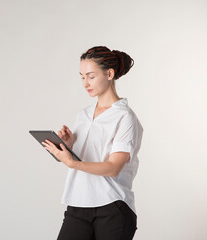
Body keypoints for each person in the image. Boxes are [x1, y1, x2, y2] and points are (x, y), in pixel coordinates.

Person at [42, 46, 143, 240]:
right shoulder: (83, 115)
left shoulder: (125, 117)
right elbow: (87, 157)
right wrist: (69, 146)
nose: (85, 83)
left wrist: (72, 163)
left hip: (112, 207)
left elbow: (114, 168)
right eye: (82, 77)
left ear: (109, 74)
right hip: (78, 203)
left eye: (90, 76)